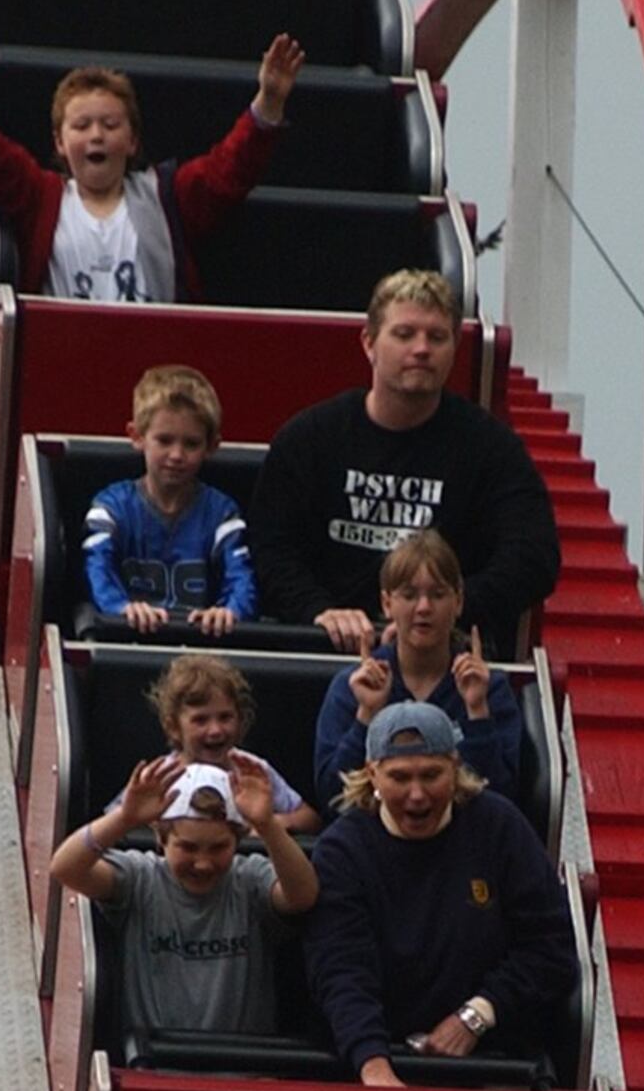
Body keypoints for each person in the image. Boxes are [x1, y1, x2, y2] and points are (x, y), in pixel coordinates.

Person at [248, 270, 560, 656]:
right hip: (321, 653)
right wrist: (318, 611)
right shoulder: (309, 437)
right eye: (404, 334)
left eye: (437, 336)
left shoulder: (491, 448)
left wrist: (439, 614)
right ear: (369, 343)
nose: (422, 348)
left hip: (447, 664)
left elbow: (535, 556)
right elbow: (269, 546)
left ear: (454, 349)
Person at [305, 702, 578, 1089]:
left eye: (431, 775)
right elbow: (341, 970)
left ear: (455, 767)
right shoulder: (342, 850)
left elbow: (551, 947)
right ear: (373, 775)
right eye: (400, 778)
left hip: (490, 1062)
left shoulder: (499, 827)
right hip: (373, 1062)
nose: (417, 795)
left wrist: (478, 1014)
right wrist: (374, 1066)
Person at [0, 28, 303, 301]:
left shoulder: (166, 196)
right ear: (60, 143)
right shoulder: (40, 196)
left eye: (110, 125)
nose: (96, 136)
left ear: (132, 141)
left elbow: (229, 171)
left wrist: (268, 102)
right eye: (81, 126)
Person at [51, 755, 318, 1041]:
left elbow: (302, 896)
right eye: (188, 848)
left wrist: (267, 825)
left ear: (237, 842)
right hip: (155, 1065)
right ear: (161, 840)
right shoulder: (140, 878)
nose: (203, 864)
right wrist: (124, 818)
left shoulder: (249, 879)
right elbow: (65, 868)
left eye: (218, 848)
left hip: (243, 1068)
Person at [314, 531, 521, 806]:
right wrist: (366, 716)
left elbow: (501, 802)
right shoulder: (351, 687)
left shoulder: (490, 688)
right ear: (387, 603)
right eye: (409, 595)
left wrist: (477, 713)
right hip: (373, 841)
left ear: (458, 602)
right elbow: (333, 800)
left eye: (437, 594)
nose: (424, 607)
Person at [83, 366, 258, 634]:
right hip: (126, 642)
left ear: (211, 446)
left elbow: (242, 580)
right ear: (137, 437)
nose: (176, 455)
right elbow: (96, 570)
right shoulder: (112, 507)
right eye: (164, 440)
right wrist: (121, 608)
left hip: (202, 649)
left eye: (191, 444)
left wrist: (229, 612)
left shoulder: (222, 513)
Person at [145, 653, 319, 835]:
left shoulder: (254, 771)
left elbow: (309, 819)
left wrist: (274, 823)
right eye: (201, 720)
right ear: (173, 727)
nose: (215, 730)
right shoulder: (157, 776)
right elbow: (119, 817)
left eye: (225, 717)